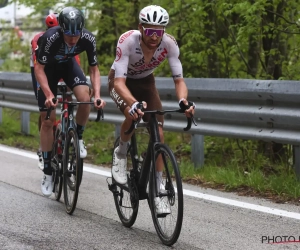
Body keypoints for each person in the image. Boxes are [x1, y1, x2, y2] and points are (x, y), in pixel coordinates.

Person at [108, 5, 195, 215]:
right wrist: (133, 103)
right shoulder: (127, 41)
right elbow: (119, 83)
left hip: (146, 83)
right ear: (141, 28)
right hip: (121, 82)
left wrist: (183, 100)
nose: (154, 36)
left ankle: (157, 189)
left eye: (159, 31)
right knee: (133, 112)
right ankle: (120, 154)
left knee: (159, 130)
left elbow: (179, 81)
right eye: (150, 31)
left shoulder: (170, 45)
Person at [34, 6, 106, 197]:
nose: (73, 39)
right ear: (61, 29)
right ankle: (48, 172)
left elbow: (94, 69)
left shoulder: (88, 38)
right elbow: (39, 69)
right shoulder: (50, 38)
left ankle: (79, 137)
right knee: (48, 119)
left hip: (68, 66)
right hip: (47, 71)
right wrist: (49, 94)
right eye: (68, 35)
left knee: (85, 99)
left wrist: (97, 94)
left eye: (77, 35)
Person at [30, 13, 82, 171]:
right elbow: (39, 65)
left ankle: (68, 132)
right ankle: (43, 147)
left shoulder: (70, 38)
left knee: (71, 93)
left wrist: (75, 84)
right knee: (45, 111)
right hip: (42, 68)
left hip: (64, 66)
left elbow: (76, 62)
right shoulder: (40, 38)